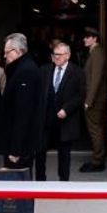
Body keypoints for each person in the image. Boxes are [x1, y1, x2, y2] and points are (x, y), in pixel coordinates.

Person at [0, 32, 46, 213]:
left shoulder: (25, 72)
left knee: (17, 194)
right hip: (20, 144)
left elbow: (23, 115)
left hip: (20, 147)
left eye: (7, 52)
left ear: (17, 52)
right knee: (19, 191)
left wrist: (15, 149)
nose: (4, 56)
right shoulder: (22, 69)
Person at [38, 40, 85, 182]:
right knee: (40, 151)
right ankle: (40, 181)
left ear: (68, 55)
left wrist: (67, 109)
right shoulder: (45, 70)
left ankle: (63, 182)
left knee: (64, 153)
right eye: (54, 54)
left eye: (59, 54)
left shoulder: (77, 72)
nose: (56, 57)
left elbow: (80, 95)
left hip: (65, 120)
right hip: (46, 119)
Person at [80, 27, 107, 172]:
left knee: (95, 130)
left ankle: (98, 161)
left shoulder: (97, 53)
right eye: (85, 37)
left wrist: (89, 101)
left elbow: (95, 79)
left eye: (87, 37)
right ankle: (98, 159)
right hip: (95, 99)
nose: (84, 39)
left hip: (95, 100)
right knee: (95, 129)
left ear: (94, 38)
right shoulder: (95, 52)